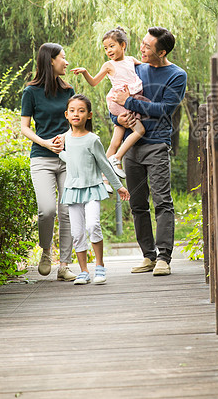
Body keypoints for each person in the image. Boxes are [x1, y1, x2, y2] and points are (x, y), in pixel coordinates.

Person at [110, 26, 187, 276]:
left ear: (162, 51)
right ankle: (148, 256)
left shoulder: (177, 75)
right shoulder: (135, 68)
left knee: (163, 201)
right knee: (138, 204)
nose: (141, 49)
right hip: (132, 145)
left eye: (147, 46)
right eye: (142, 43)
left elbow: (165, 109)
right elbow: (116, 102)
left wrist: (129, 103)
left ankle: (164, 257)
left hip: (156, 143)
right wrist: (117, 120)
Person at [57, 94, 129, 285]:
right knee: (77, 232)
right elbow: (70, 159)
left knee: (93, 225)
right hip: (73, 191)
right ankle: (83, 271)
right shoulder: (65, 139)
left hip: (92, 189)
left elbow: (105, 165)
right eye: (72, 111)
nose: (76, 114)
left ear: (88, 115)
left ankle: (99, 266)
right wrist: (60, 152)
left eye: (81, 111)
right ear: (66, 114)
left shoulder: (93, 139)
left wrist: (119, 187)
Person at [20, 42, 77, 281]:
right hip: (42, 159)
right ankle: (46, 252)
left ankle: (64, 265)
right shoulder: (30, 92)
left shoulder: (68, 91)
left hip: (67, 158)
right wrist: (44, 143)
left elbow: (76, 123)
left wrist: (63, 137)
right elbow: (24, 127)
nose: (66, 62)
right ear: (50, 60)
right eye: (63, 57)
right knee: (47, 210)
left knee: (67, 211)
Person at [70, 27, 146, 179]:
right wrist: (85, 72)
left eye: (112, 46)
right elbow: (94, 82)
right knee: (140, 131)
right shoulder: (109, 65)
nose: (108, 51)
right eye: (106, 48)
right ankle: (116, 159)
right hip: (119, 102)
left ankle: (103, 177)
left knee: (116, 140)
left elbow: (146, 66)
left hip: (128, 101)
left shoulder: (131, 60)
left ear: (123, 45)